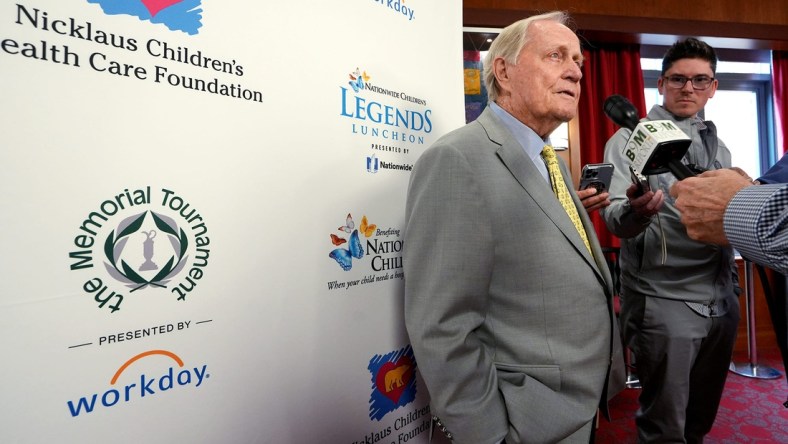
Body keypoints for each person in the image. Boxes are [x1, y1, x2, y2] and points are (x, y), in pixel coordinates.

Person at [404, 11, 623, 444]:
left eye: (578, 61)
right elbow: (443, 325)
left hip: (580, 404)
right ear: (503, 70)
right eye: (556, 56)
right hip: (524, 417)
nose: (575, 72)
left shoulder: (552, 161)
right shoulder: (458, 160)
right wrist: (489, 434)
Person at [600, 38, 741, 443]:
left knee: (700, 418)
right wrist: (638, 210)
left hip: (722, 297)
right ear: (661, 84)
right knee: (665, 426)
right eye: (678, 79)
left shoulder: (722, 148)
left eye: (700, 80)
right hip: (665, 301)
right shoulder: (628, 140)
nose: (688, 88)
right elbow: (614, 220)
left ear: (713, 87)